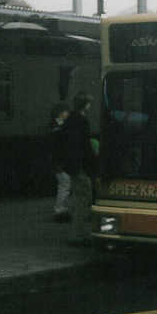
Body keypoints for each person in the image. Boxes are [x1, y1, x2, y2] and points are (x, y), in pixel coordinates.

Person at [64, 92, 96, 246]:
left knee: (78, 198)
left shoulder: (69, 119)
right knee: (84, 199)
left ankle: (77, 233)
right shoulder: (81, 120)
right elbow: (84, 146)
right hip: (80, 166)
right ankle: (79, 235)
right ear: (85, 105)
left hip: (72, 166)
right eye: (89, 103)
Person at [49, 102, 71, 222]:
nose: (67, 114)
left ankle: (62, 209)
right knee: (64, 185)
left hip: (59, 161)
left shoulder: (56, 126)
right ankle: (60, 210)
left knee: (64, 185)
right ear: (60, 113)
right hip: (60, 162)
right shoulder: (58, 128)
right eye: (66, 112)